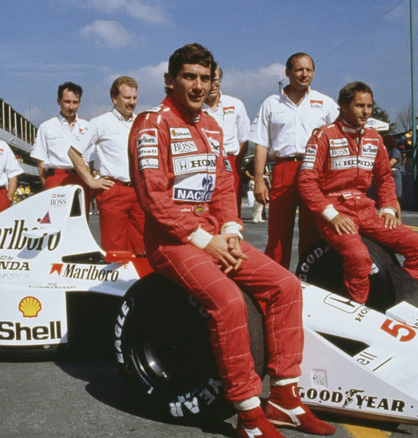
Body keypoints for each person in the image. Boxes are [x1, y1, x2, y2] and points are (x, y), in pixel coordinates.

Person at [129, 43, 334, 438]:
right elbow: (153, 197)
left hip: (212, 237)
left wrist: (231, 232)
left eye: (205, 78)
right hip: (171, 242)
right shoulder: (151, 124)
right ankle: (248, 414)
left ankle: (284, 399)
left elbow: (224, 187)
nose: (198, 86)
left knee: (286, 285)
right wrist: (205, 241)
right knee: (227, 301)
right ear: (171, 81)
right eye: (189, 77)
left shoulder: (211, 126)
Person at [298, 82, 418, 304]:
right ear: (343, 106)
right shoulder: (323, 136)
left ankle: (404, 304)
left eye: (369, 106)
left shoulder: (374, 137)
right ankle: (357, 312)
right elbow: (306, 182)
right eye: (360, 106)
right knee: (359, 257)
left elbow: (384, 177)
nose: (366, 111)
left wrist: (389, 207)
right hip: (336, 210)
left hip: (366, 209)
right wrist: (332, 216)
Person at [249, 52, 338, 268]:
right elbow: (261, 143)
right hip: (283, 170)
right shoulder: (271, 103)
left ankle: (311, 281)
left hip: (315, 171)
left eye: (308, 70)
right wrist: (259, 180)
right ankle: (275, 283)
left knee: (312, 232)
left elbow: (339, 139)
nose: (304, 74)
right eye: (299, 69)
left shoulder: (325, 103)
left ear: (314, 72)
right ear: (288, 73)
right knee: (278, 234)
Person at [68, 76, 145, 253]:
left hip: (139, 192)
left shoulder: (141, 122)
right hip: (114, 190)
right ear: (114, 98)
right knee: (115, 250)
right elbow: (73, 152)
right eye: (127, 98)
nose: (131, 102)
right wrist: (91, 181)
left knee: (141, 248)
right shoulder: (100, 122)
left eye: (134, 98)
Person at [203, 66, 251, 217]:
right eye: (208, 79)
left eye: (216, 79)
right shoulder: (193, 107)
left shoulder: (236, 105)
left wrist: (233, 163)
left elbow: (244, 140)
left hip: (230, 164)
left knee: (231, 215)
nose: (213, 84)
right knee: (203, 213)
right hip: (202, 165)